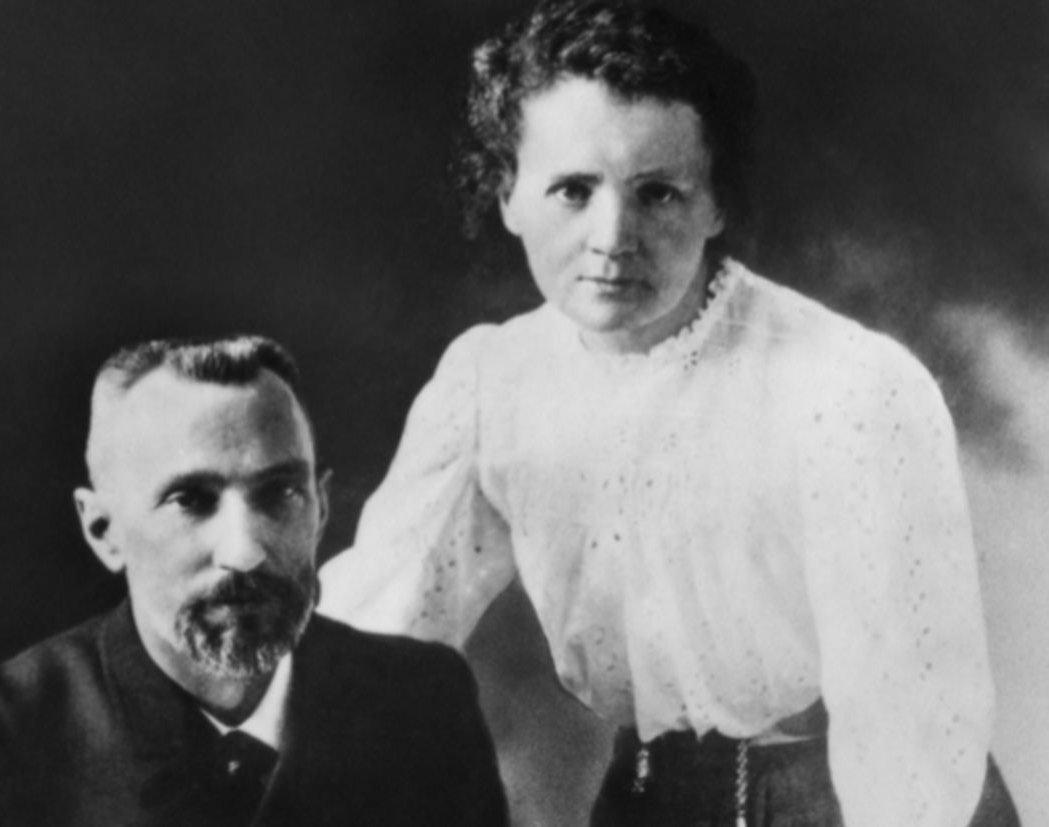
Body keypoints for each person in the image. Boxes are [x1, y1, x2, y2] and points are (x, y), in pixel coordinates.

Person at [318, 1, 1020, 825]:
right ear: (507, 193)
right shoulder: (491, 383)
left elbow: (909, 726)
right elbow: (373, 636)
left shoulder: (845, 387)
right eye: (573, 190)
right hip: (651, 797)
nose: (613, 235)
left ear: (716, 203)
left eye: (658, 193)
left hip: (851, 795)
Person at [0, 336, 509, 827]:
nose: (244, 551)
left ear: (321, 509)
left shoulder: (422, 705)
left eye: (280, 493)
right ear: (103, 530)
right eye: (191, 501)